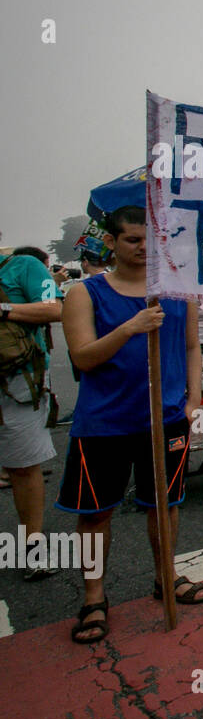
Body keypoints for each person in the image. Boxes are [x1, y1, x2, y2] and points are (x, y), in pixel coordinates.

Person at [57, 205, 203, 645]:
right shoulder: (84, 294)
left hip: (165, 420)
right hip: (103, 422)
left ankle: (166, 577)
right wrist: (131, 327)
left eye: (151, 239)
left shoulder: (178, 291)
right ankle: (93, 598)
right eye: (133, 240)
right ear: (111, 242)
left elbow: (194, 346)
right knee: (94, 514)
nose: (144, 248)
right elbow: (82, 357)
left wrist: (193, 397)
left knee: (164, 504)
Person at [0, 247, 62, 580]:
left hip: (18, 383)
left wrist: (3, 308)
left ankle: (33, 549)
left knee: (23, 468)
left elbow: (55, 309)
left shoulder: (23, 266)